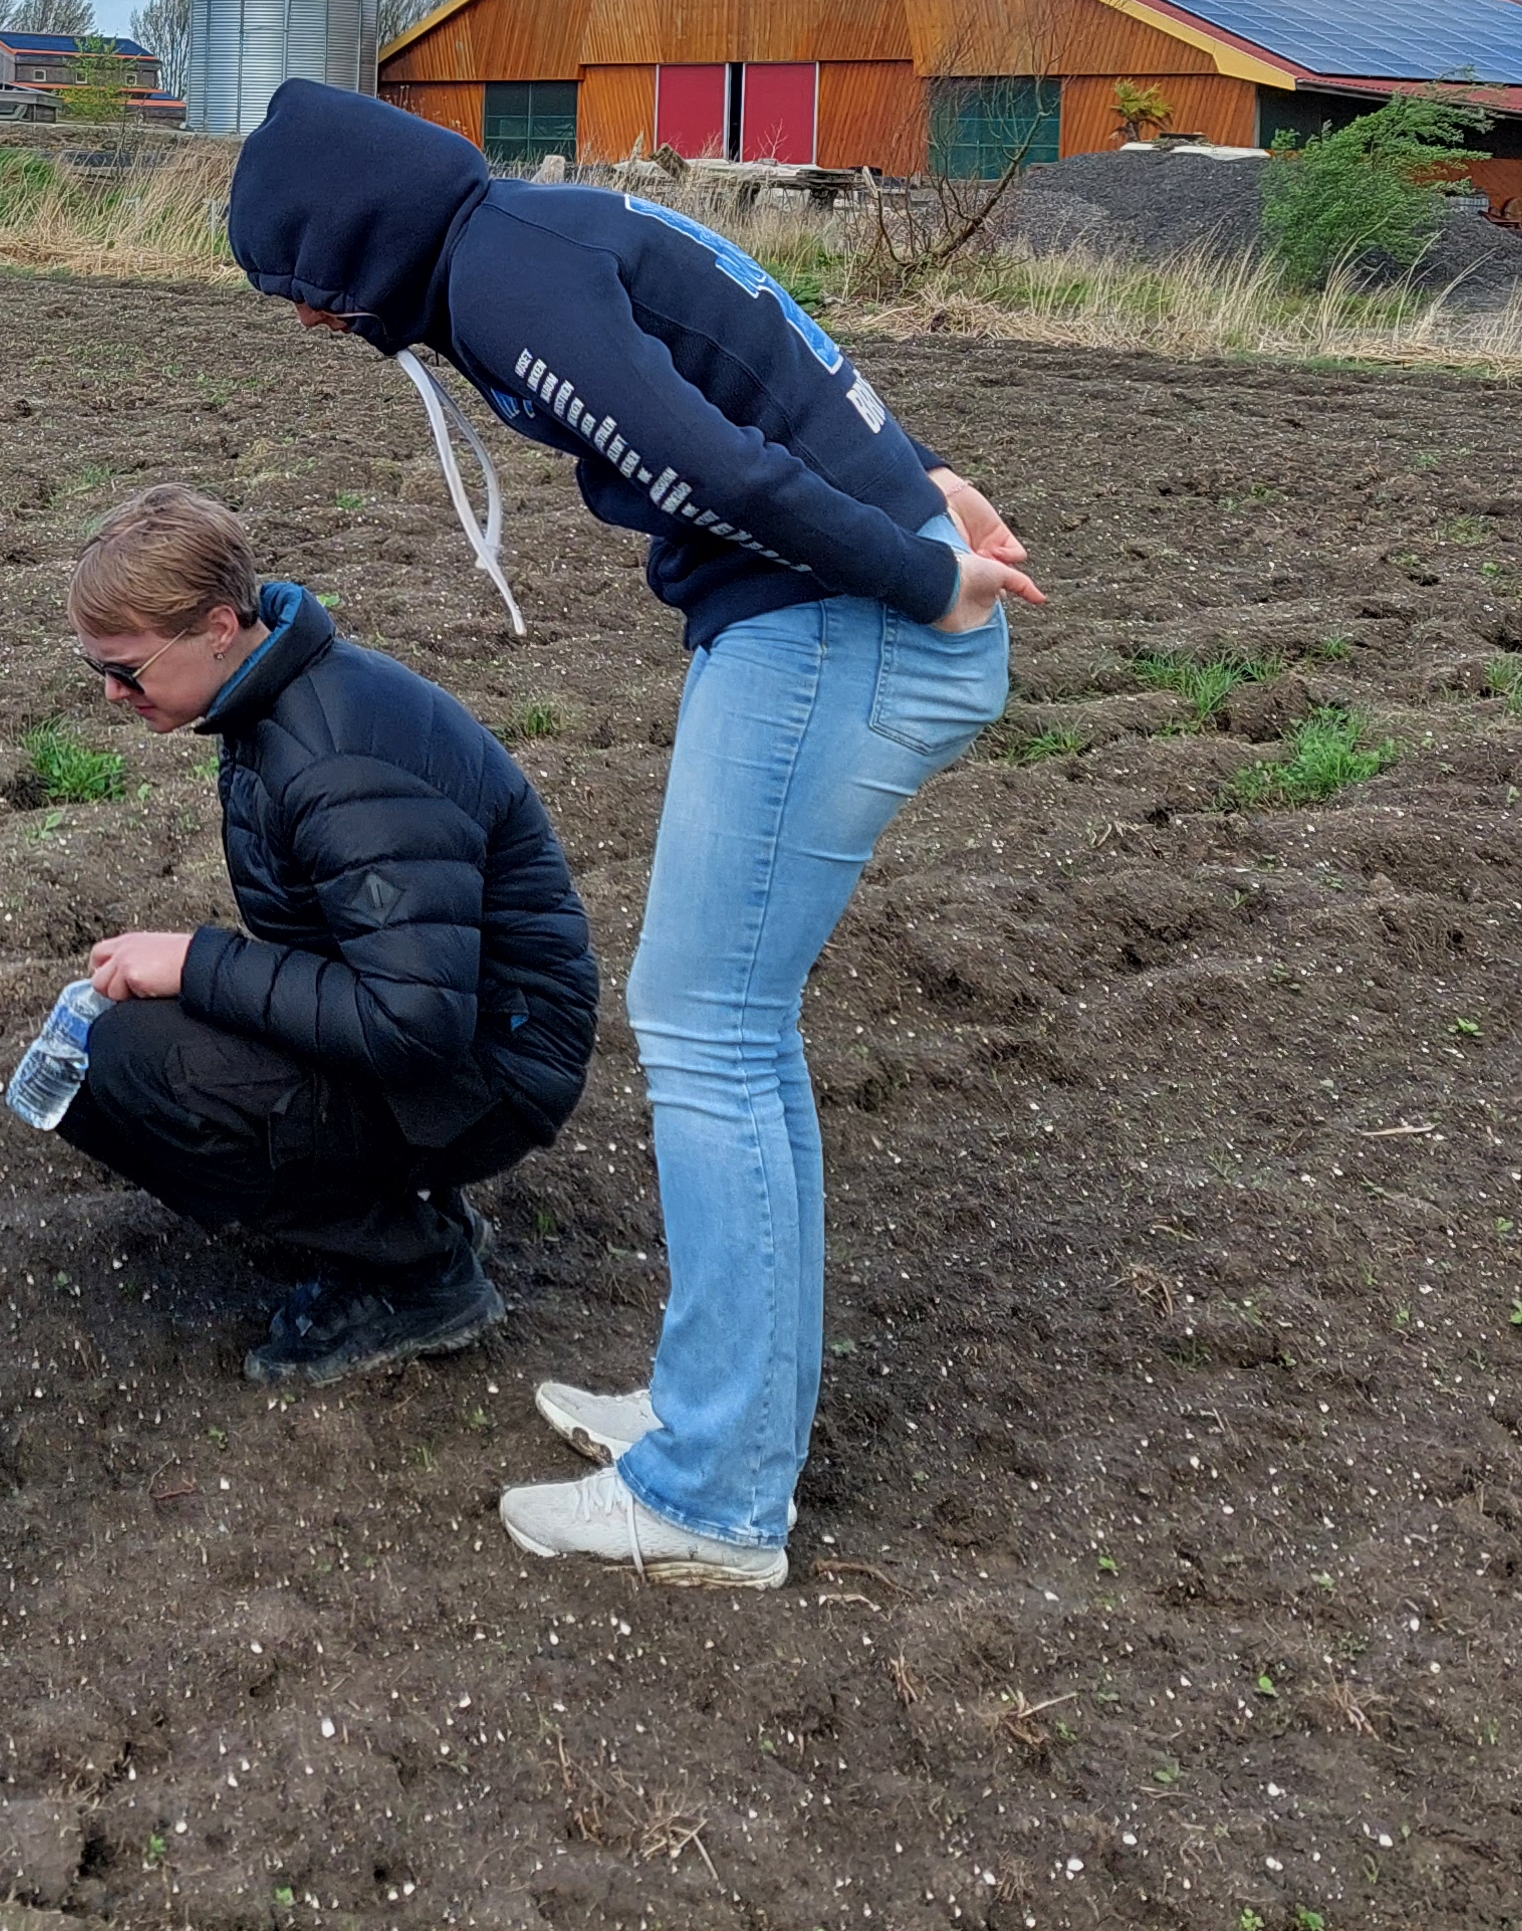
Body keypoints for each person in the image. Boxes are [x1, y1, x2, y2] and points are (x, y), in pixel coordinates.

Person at [222, 82, 1046, 1592]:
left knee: (709, 1030)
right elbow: (770, 363)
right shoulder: (533, 232)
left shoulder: (505, 277)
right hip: (838, 609)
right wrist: (910, 486)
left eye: (303, 284)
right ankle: (713, 1410)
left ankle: (719, 1493)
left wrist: (918, 572)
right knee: (735, 1028)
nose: (309, 322)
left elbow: (709, 464)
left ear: (353, 238)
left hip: (831, 631)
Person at [49, 484, 598, 1387]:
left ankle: (416, 1269)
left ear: (218, 626)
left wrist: (198, 962)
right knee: (96, 1057)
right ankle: (408, 1210)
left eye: (128, 669)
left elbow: (416, 1021)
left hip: (494, 1071)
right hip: (467, 1038)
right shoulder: (276, 703)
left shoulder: (336, 759)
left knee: (135, 1068)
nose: (112, 694)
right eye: (95, 669)